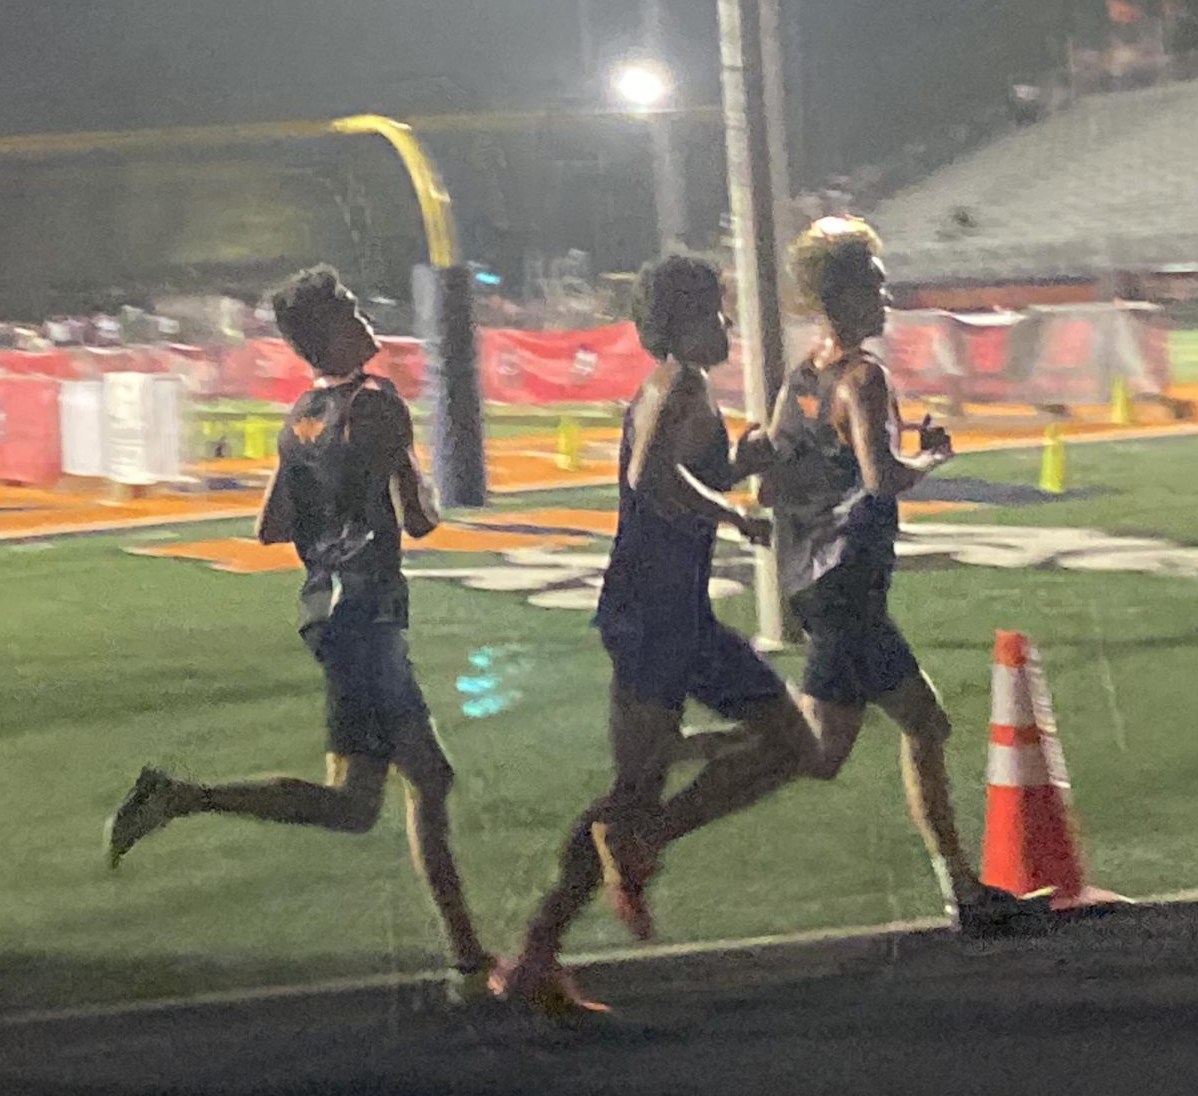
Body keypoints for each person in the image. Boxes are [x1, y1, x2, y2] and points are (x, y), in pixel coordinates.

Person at [104, 264, 491, 995]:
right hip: (368, 615)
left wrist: (330, 509)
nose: (365, 315)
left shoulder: (300, 417)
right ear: (327, 332)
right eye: (350, 308)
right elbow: (418, 519)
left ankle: (467, 958)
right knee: (389, 793)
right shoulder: (378, 404)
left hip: (330, 612)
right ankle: (467, 959)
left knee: (392, 792)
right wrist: (401, 491)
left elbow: (268, 526)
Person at [492, 255, 818, 1015]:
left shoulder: (668, 388)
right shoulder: (680, 386)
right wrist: (734, 513)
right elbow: (651, 481)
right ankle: (541, 951)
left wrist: (738, 465)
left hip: (674, 613)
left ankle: (624, 859)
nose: (728, 326)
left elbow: (678, 478)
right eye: (715, 314)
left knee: (786, 744)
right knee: (646, 784)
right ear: (677, 324)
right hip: (652, 616)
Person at [764, 215, 1034, 933]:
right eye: (876, 288)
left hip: (820, 581)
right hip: (851, 584)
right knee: (837, 747)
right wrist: (933, 460)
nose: (887, 300)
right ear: (844, 294)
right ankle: (663, 802)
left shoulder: (798, 380)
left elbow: (774, 473)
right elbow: (883, 481)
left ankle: (965, 891)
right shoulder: (862, 377)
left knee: (901, 729)